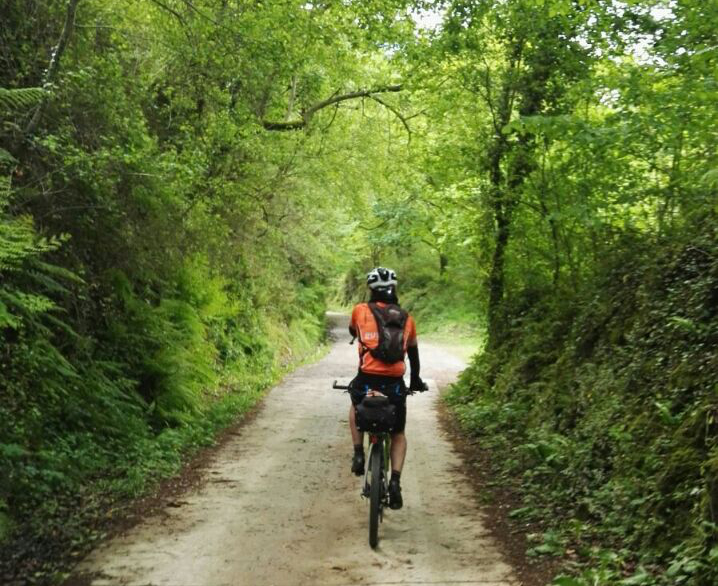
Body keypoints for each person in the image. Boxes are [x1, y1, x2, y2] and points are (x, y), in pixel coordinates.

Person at [348, 267, 424, 510]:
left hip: (367, 379)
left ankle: (358, 453)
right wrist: (416, 381)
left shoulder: (360, 310)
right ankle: (395, 482)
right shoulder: (407, 318)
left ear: (371, 289)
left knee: (355, 405)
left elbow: (353, 331)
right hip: (394, 384)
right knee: (398, 432)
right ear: (394, 289)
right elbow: (413, 354)